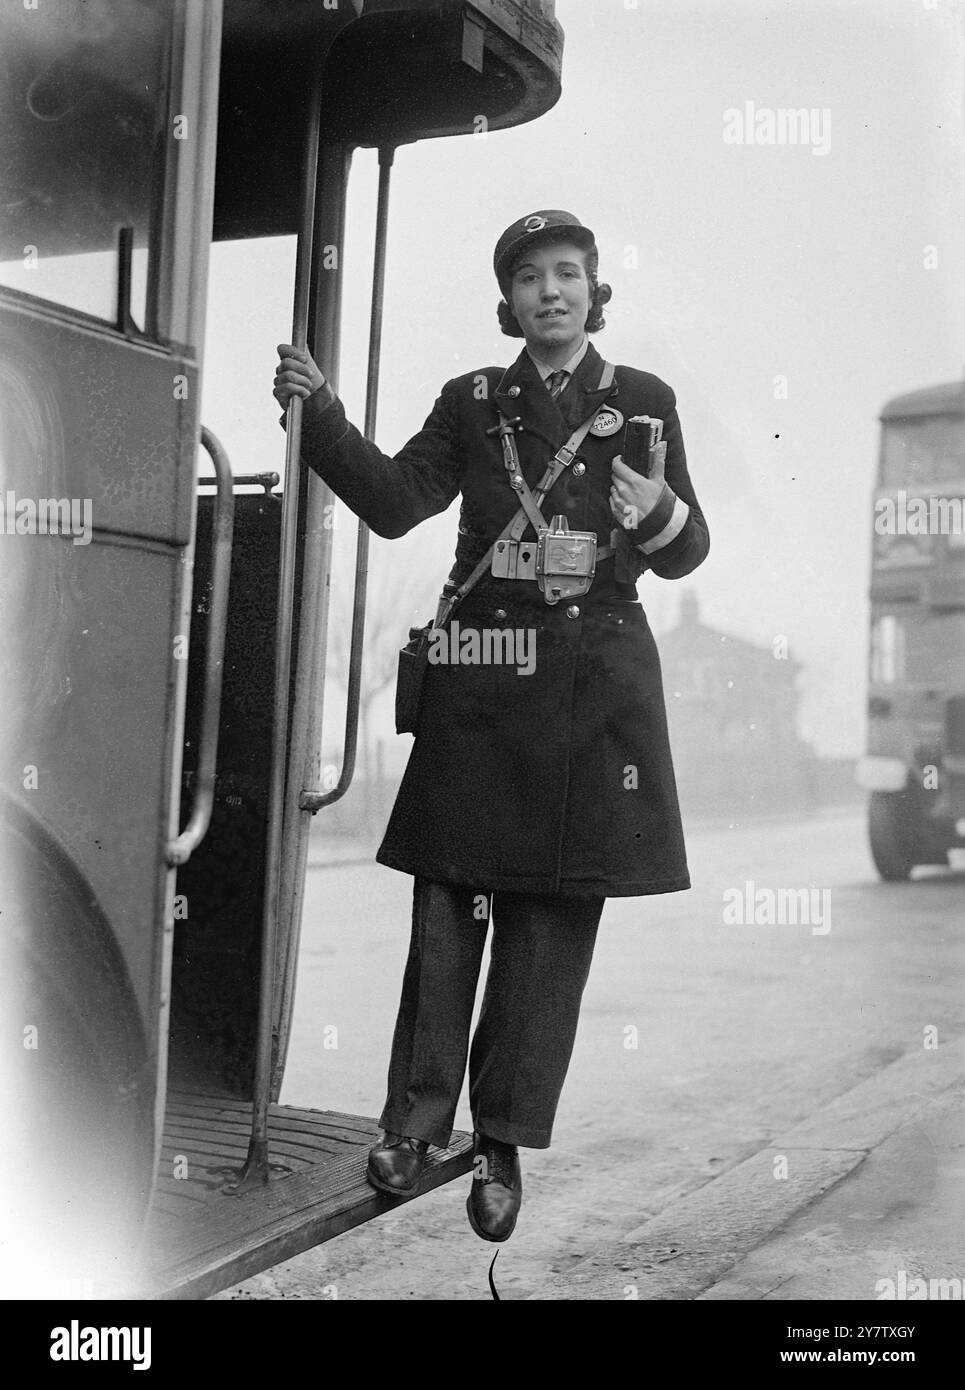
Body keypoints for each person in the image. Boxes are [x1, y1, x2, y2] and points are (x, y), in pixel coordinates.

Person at [272, 210, 709, 1243]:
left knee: (548, 925)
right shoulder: (471, 403)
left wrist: (652, 514)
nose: (548, 291)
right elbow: (390, 501)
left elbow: (688, 555)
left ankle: (501, 1142)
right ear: (507, 300)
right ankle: (415, 1126)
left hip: (591, 692)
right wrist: (321, 412)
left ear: (593, 291)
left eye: (566, 274)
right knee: (448, 913)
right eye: (527, 277)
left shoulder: (641, 402)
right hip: (482, 678)